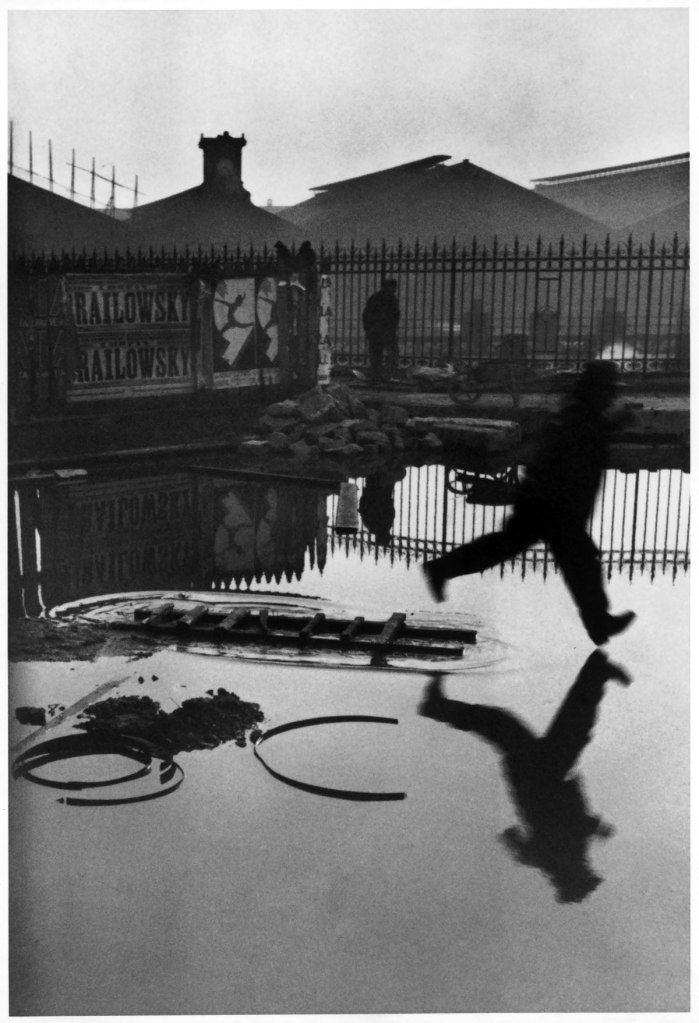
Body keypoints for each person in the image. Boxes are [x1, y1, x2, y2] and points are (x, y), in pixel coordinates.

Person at [422, 361, 636, 646]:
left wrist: (611, 425)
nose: (611, 397)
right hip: (552, 506)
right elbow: (580, 444)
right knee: (578, 562)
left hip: (547, 503)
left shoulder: (579, 411)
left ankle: (599, 622)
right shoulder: (580, 416)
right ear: (597, 389)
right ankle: (598, 623)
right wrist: (614, 424)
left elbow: (582, 438)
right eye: (608, 390)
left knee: (520, 550)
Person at [419, 651, 631, 903]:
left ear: (576, 875)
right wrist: (523, 846)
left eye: (587, 874)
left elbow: (568, 827)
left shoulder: (562, 857)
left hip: (541, 778)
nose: (589, 868)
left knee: (556, 725)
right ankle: (597, 671)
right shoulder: (554, 858)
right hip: (541, 777)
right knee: (555, 725)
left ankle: (597, 671)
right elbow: (522, 841)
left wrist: (596, 828)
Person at [362, 279, 400, 384]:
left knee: (376, 355)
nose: (394, 290)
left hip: (376, 331)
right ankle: (386, 376)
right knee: (391, 353)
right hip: (386, 330)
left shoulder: (374, 298)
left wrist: (368, 329)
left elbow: (366, 314)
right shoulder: (392, 299)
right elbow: (395, 315)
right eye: (393, 287)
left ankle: (376, 376)